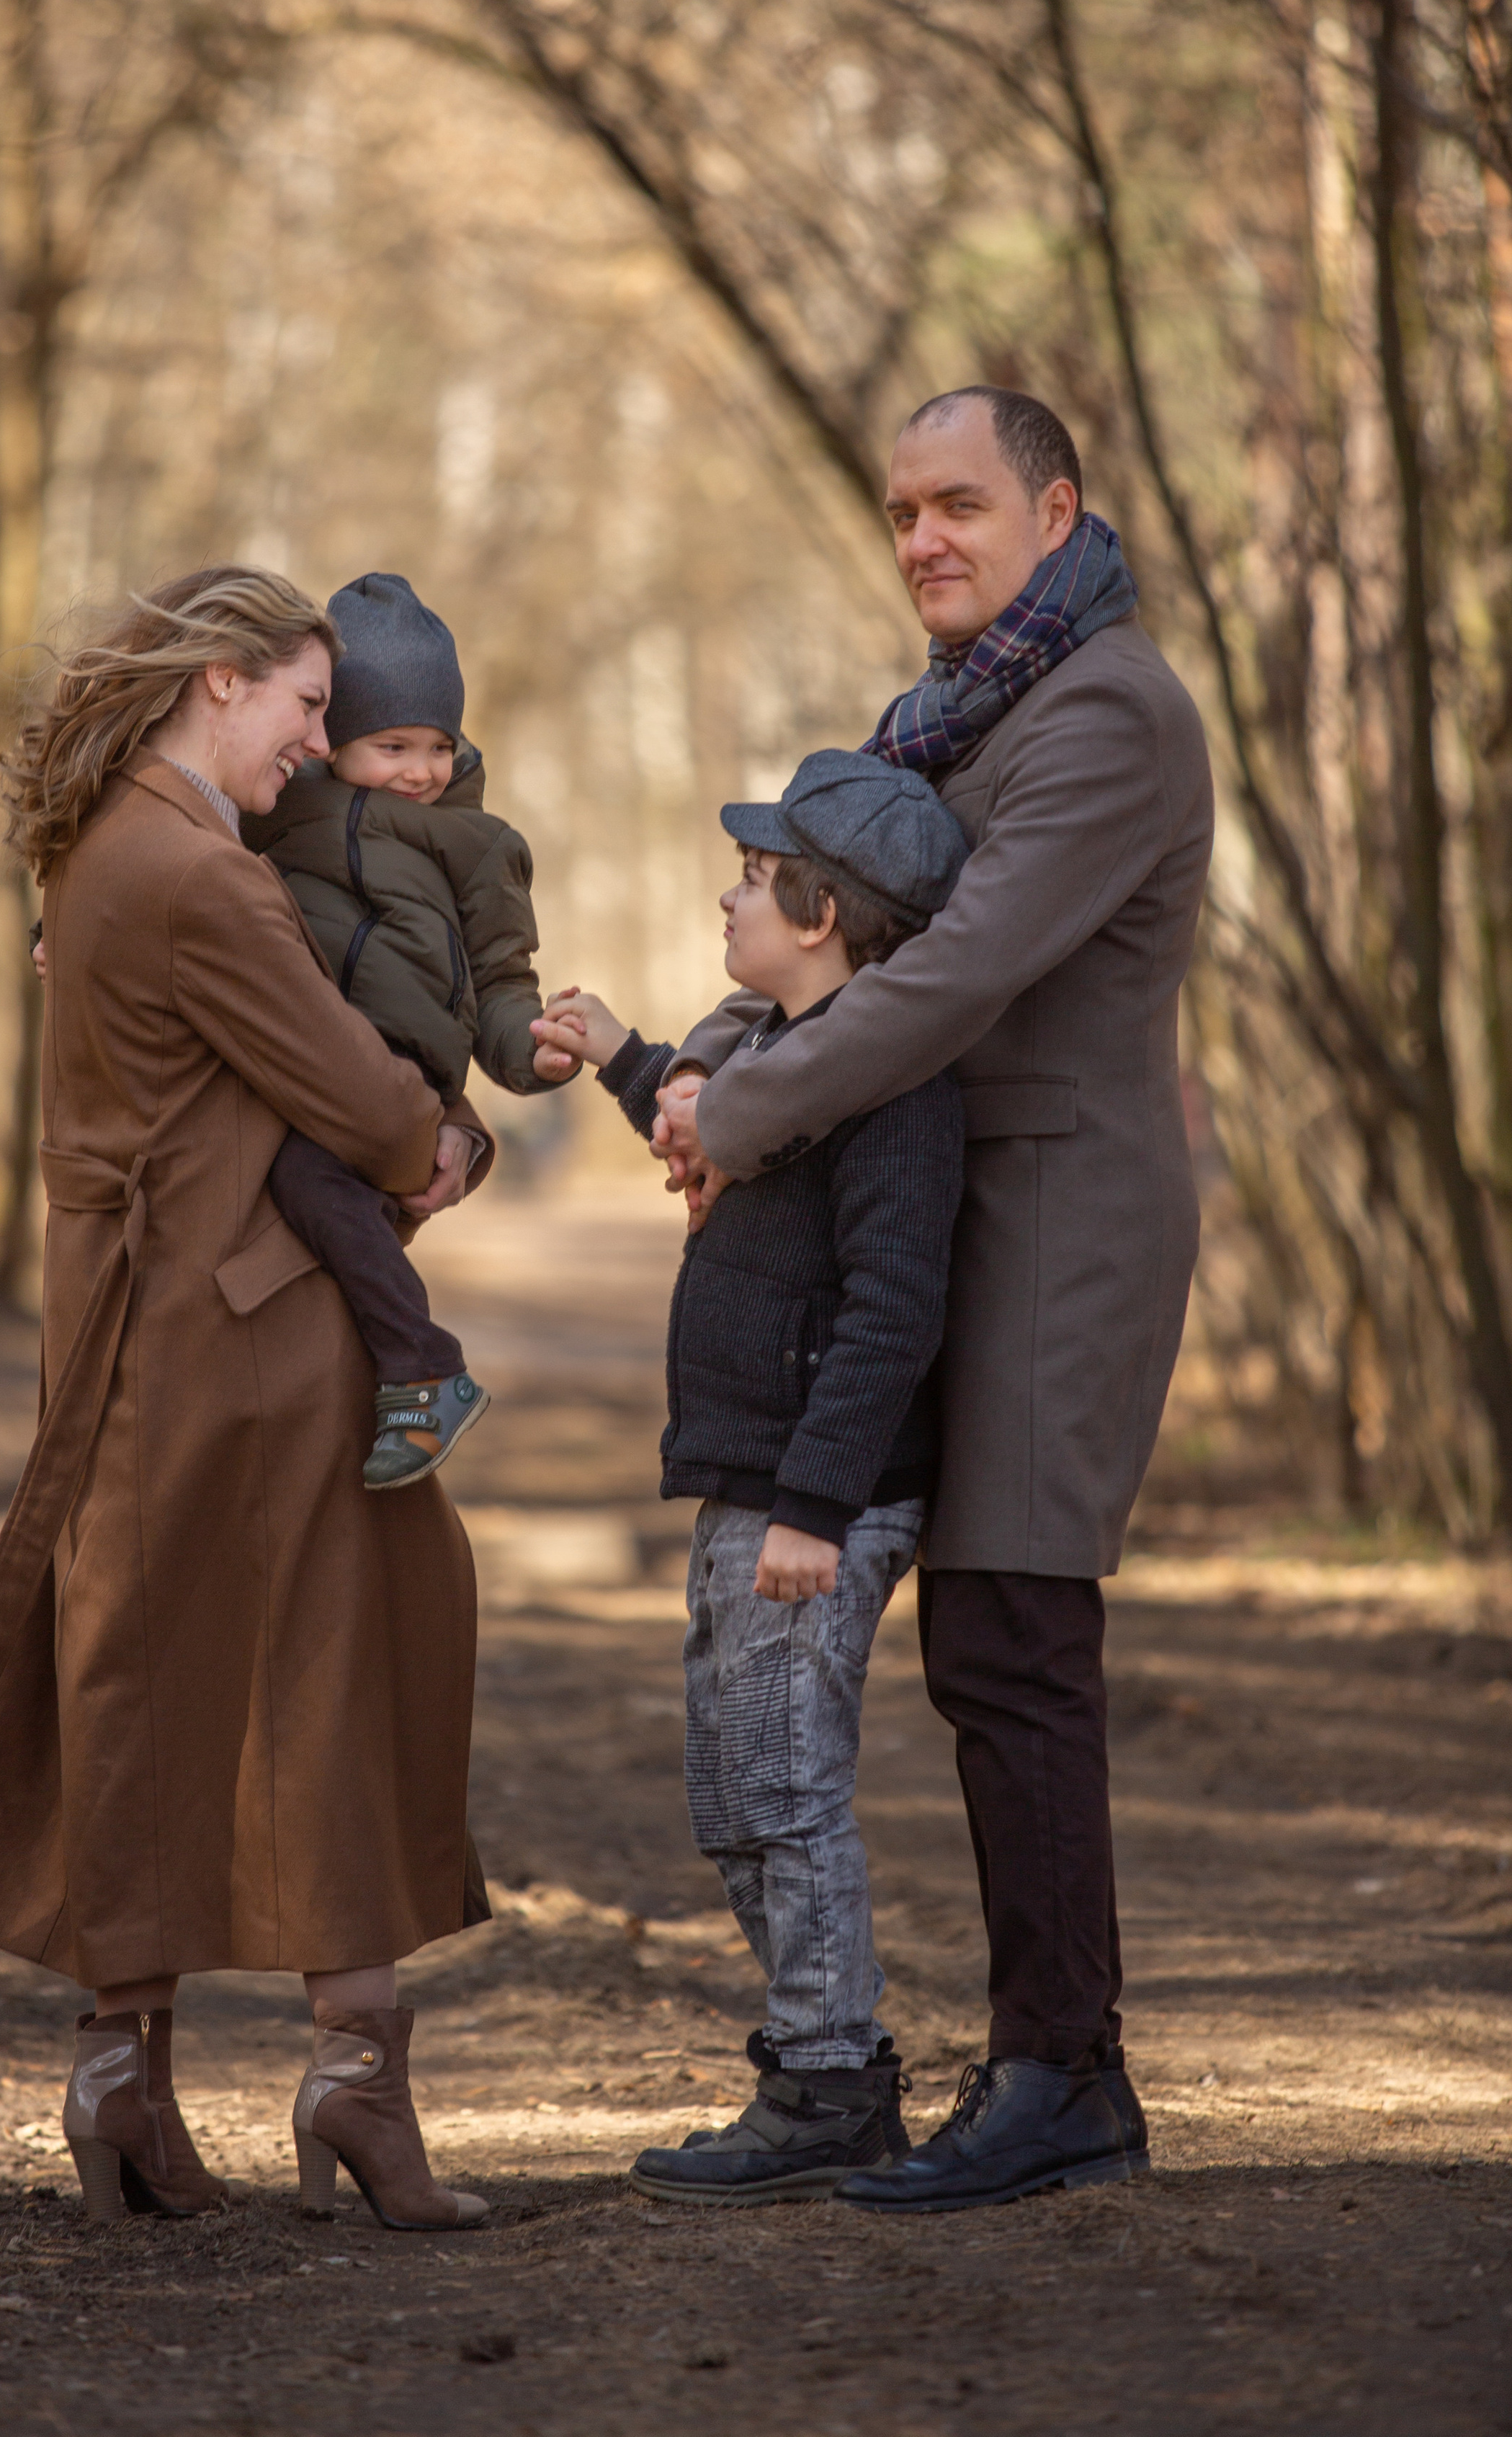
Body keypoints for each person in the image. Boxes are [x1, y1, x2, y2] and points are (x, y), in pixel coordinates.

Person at [0, 566, 494, 2233]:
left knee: (138, 1673)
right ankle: (355, 2076)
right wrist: (445, 1132)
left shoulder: (105, 843)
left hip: (145, 1325)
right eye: (303, 702)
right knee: (330, 1674)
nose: (319, 737)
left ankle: (119, 2070)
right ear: (218, 682)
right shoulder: (197, 873)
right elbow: (358, 1099)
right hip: (246, 1330)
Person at [653, 388, 1214, 2214]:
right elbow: (849, 934)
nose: (920, 539)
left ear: (1055, 507)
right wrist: (707, 1063)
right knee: (979, 1644)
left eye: (957, 504)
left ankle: (1062, 2073)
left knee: (1009, 1639)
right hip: (950, 1211)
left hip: (1060, 1215)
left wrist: (740, 1110)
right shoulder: (966, 712)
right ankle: (1016, 2061)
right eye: (899, 511)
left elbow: (957, 971)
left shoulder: (1107, 712)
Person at [532, 749, 966, 2202]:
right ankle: (811, 2059)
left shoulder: (891, 1089)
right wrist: (619, 1057)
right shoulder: (785, 1064)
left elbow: (891, 1310)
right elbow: (720, 1130)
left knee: (785, 1792)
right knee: (729, 1799)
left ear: (821, 913)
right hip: (748, 1490)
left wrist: (814, 1510)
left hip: (807, 1504)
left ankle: (830, 2078)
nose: (726, 895)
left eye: (750, 880)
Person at [244, 571, 578, 1489]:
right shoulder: (269, 814)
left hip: (404, 1071)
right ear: (328, 741)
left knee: (311, 1184)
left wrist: (530, 1052)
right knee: (308, 1230)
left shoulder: (475, 845)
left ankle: (422, 1367)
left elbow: (504, 977)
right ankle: (391, 1381)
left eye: (439, 745)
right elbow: (169, 881)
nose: (421, 770)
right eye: (391, 745)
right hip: (302, 1058)